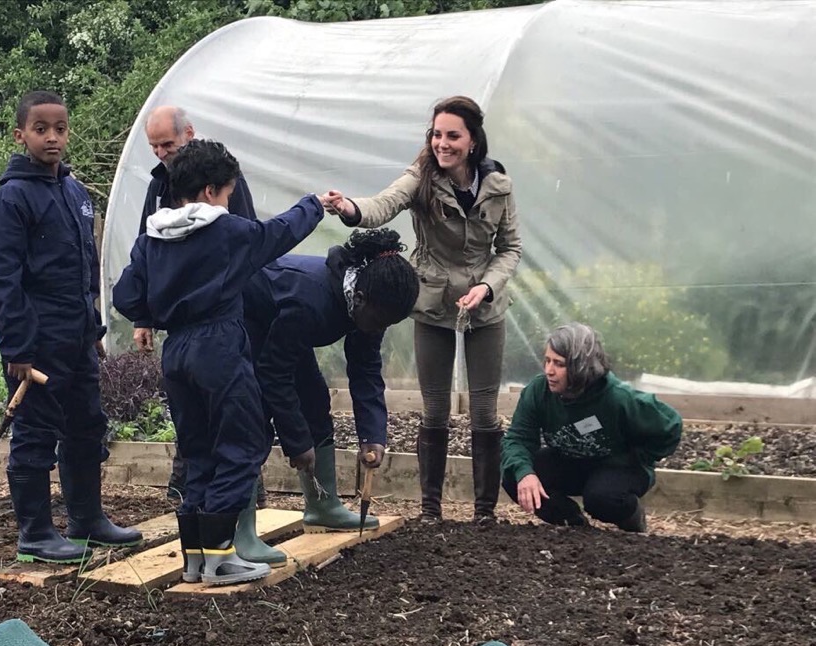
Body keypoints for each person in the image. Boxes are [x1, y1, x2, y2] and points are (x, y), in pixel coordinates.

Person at [112, 139, 324, 585]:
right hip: (219, 345)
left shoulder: (152, 236)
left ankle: (196, 559)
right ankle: (222, 556)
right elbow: (277, 234)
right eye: (228, 192)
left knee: (198, 451)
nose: (230, 200)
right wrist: (314, 205)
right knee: (244, 443)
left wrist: (158, 309)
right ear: (211, 191)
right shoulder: (226, 232)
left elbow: (126, 295)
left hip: (177, 352)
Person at [322, 95, 522, 523]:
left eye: (453, 135)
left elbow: (509, 248)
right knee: (435, 409)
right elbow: (383, 204)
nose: (442, 143)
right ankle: (431, 512)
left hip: (484, 307)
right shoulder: (421, 178)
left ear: (472, 141)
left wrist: (487, 287)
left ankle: (484, 513)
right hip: (432, 301)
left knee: (485, 412)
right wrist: (349, 208)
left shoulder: (498, 186)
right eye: (436, 134)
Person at [0, 90, 142, 564]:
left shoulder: (73, 192)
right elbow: (1, 279)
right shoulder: (11, 200)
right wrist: (18, 348)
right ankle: (34, 532)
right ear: (20, 135)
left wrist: (93, 328)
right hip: (37, 338)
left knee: (87, 424)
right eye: (41, 129)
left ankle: (87, 519)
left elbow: (85, 266)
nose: (52, 137)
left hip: (76, 335)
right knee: (35, 430)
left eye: (60, 128)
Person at [235, 228, 420, 567]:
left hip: (285, 330)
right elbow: (273, 374)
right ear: (359, 298)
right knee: (253, 421)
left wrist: (373, 437)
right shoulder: (313, 300)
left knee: (315, 402)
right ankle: (240, 531)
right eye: (381, 321)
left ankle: (322, 506)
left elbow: (366, 373)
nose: (381, 328)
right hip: (247, 318)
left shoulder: (370, 307)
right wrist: (297, 442)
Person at [134, 105, 259, 503]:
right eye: (153, 146)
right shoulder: (158, 187)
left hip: (221, 320)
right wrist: (143, 316)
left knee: (231, 414)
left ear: (188, 133)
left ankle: (242, 499)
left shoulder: (219, 181)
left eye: (166, 144)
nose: (160, 153)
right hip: (181, 325)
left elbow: (250, 244)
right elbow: (145, 252)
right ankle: (189, 482)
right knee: (190, 412)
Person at [500, 323, 683, 532]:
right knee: (514, 476)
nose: (549, 370)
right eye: (547, 361)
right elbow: (518, 438)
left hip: (616, 467)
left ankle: (633, 520)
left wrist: (639, 457)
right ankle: (574, 524)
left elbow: (671, 425)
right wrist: (525, 474)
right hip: (570, 461)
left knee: (602, 499)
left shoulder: (616, 397)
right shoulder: (538, 391)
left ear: (580, 367)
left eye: (559, 364)